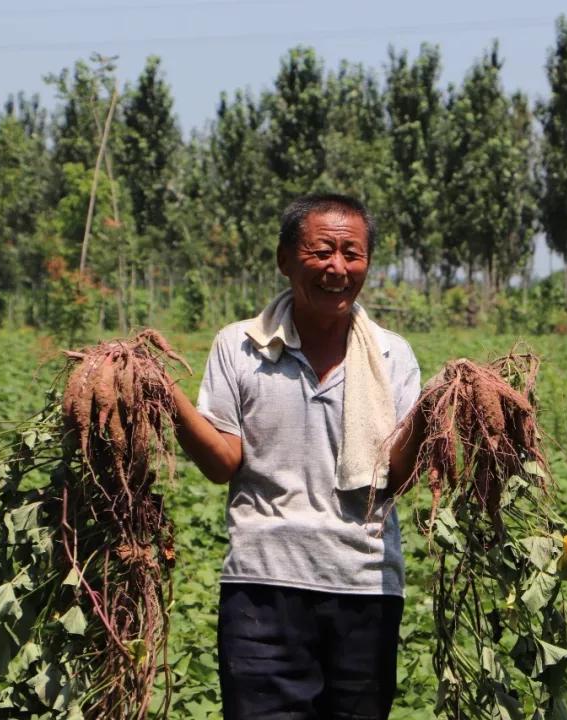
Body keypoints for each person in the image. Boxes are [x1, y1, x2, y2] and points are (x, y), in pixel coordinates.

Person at [170, 193, 427, 720]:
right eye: (321, 252)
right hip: (262, 586)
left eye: (351, 254)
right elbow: (222, 462)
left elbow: (398, 476)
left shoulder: (390, 354)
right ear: (285, 260)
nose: (337, 268)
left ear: (367, 264)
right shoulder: (238, 346)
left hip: (365, 584)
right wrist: (165, 398)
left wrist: (439, 412)